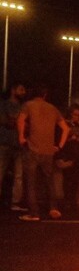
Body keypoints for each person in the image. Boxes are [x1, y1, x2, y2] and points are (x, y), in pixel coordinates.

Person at [17, 84, 70, 221]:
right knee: (49, 181)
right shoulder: (53, 108)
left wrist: (21, 137)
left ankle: (34, 213)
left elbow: (21, 120)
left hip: (33, 148)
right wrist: (59, 146)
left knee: (31, 182)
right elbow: (66, 128)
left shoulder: (28, 105)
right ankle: (54, 208)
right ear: (45, 95)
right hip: (48, 151)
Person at [56, 104, 79, 209]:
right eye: (75, 114)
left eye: (78, 115)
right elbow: (59, 139)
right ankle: (67, 200)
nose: (76, 117)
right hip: (69, 155)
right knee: (68, 178)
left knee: (76, 179)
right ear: (70, 114)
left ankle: (72, 200)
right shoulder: (64, 125)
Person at [0, 82, 27, 211]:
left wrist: (15, 120)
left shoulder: (24, 106)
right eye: (21, 89)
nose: (23, 92)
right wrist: (18, 121)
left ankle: (15, 203)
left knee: (19, 176)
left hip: (19, 145)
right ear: (13, 90)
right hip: (4, 143)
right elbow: (6, 122)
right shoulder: (4, 104)